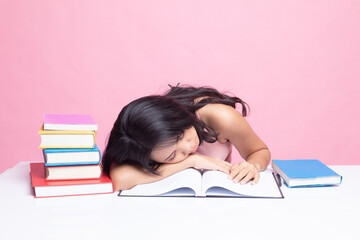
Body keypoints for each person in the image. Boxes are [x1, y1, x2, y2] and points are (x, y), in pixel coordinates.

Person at [102, 84, 271, 191]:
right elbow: (120, 179)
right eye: (171, 156)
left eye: (180, 134)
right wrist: (191, 161)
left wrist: (252, 165)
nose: (188, 147)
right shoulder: (138, 138)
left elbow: (259, 151)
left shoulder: (219, 117)